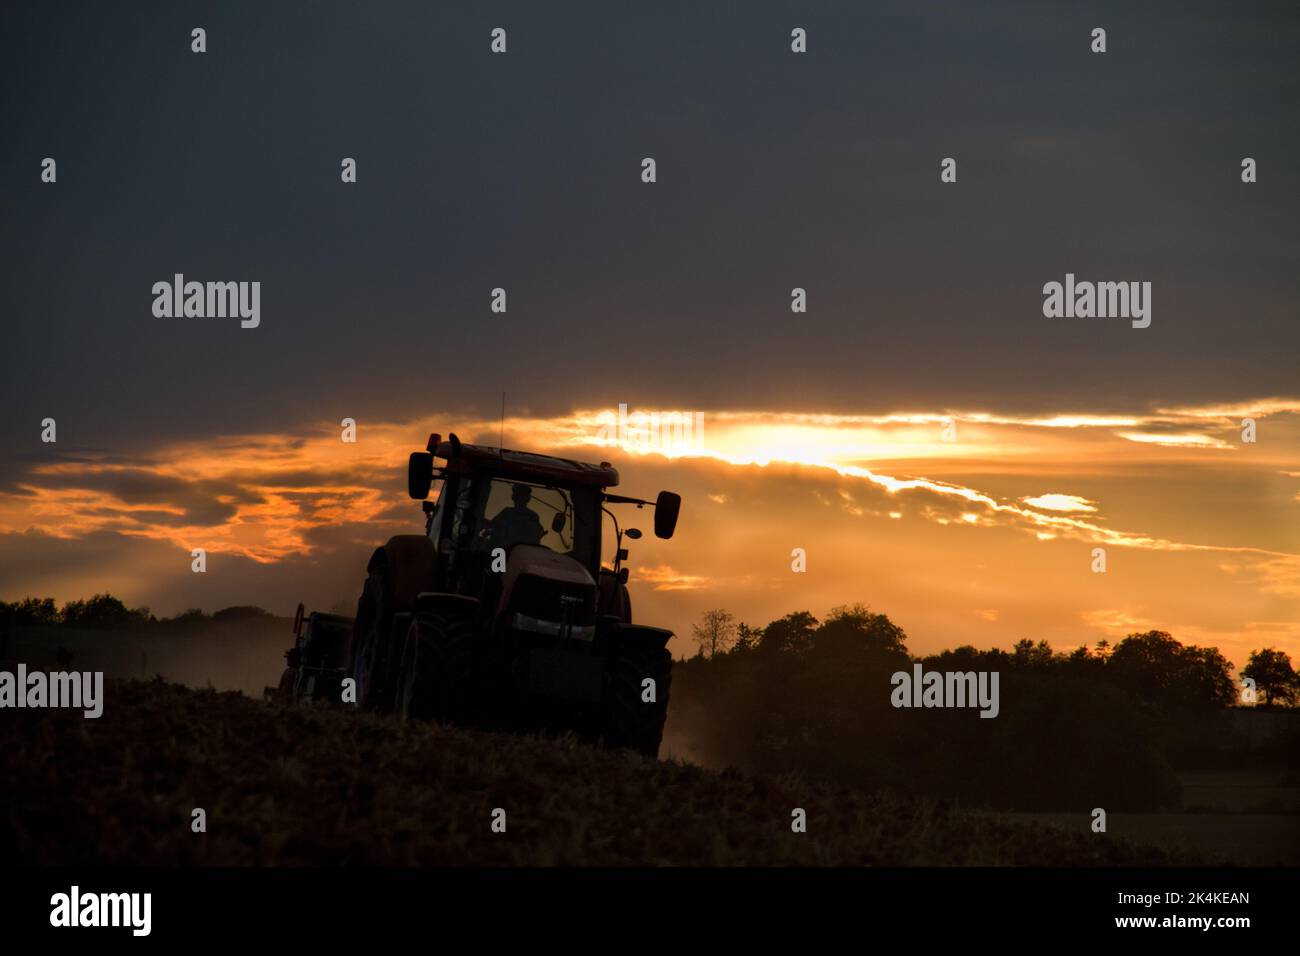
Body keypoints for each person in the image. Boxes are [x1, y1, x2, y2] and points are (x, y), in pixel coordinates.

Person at [487, 483, 545, 552]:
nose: (519, 499)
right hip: (503, 553)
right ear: (513, 497)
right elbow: (493, 526)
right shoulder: (506, 512)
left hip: (521, 554)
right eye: (518, 495)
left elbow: (534, 539)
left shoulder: (532, 517)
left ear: (527, 499)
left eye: (522, 496)